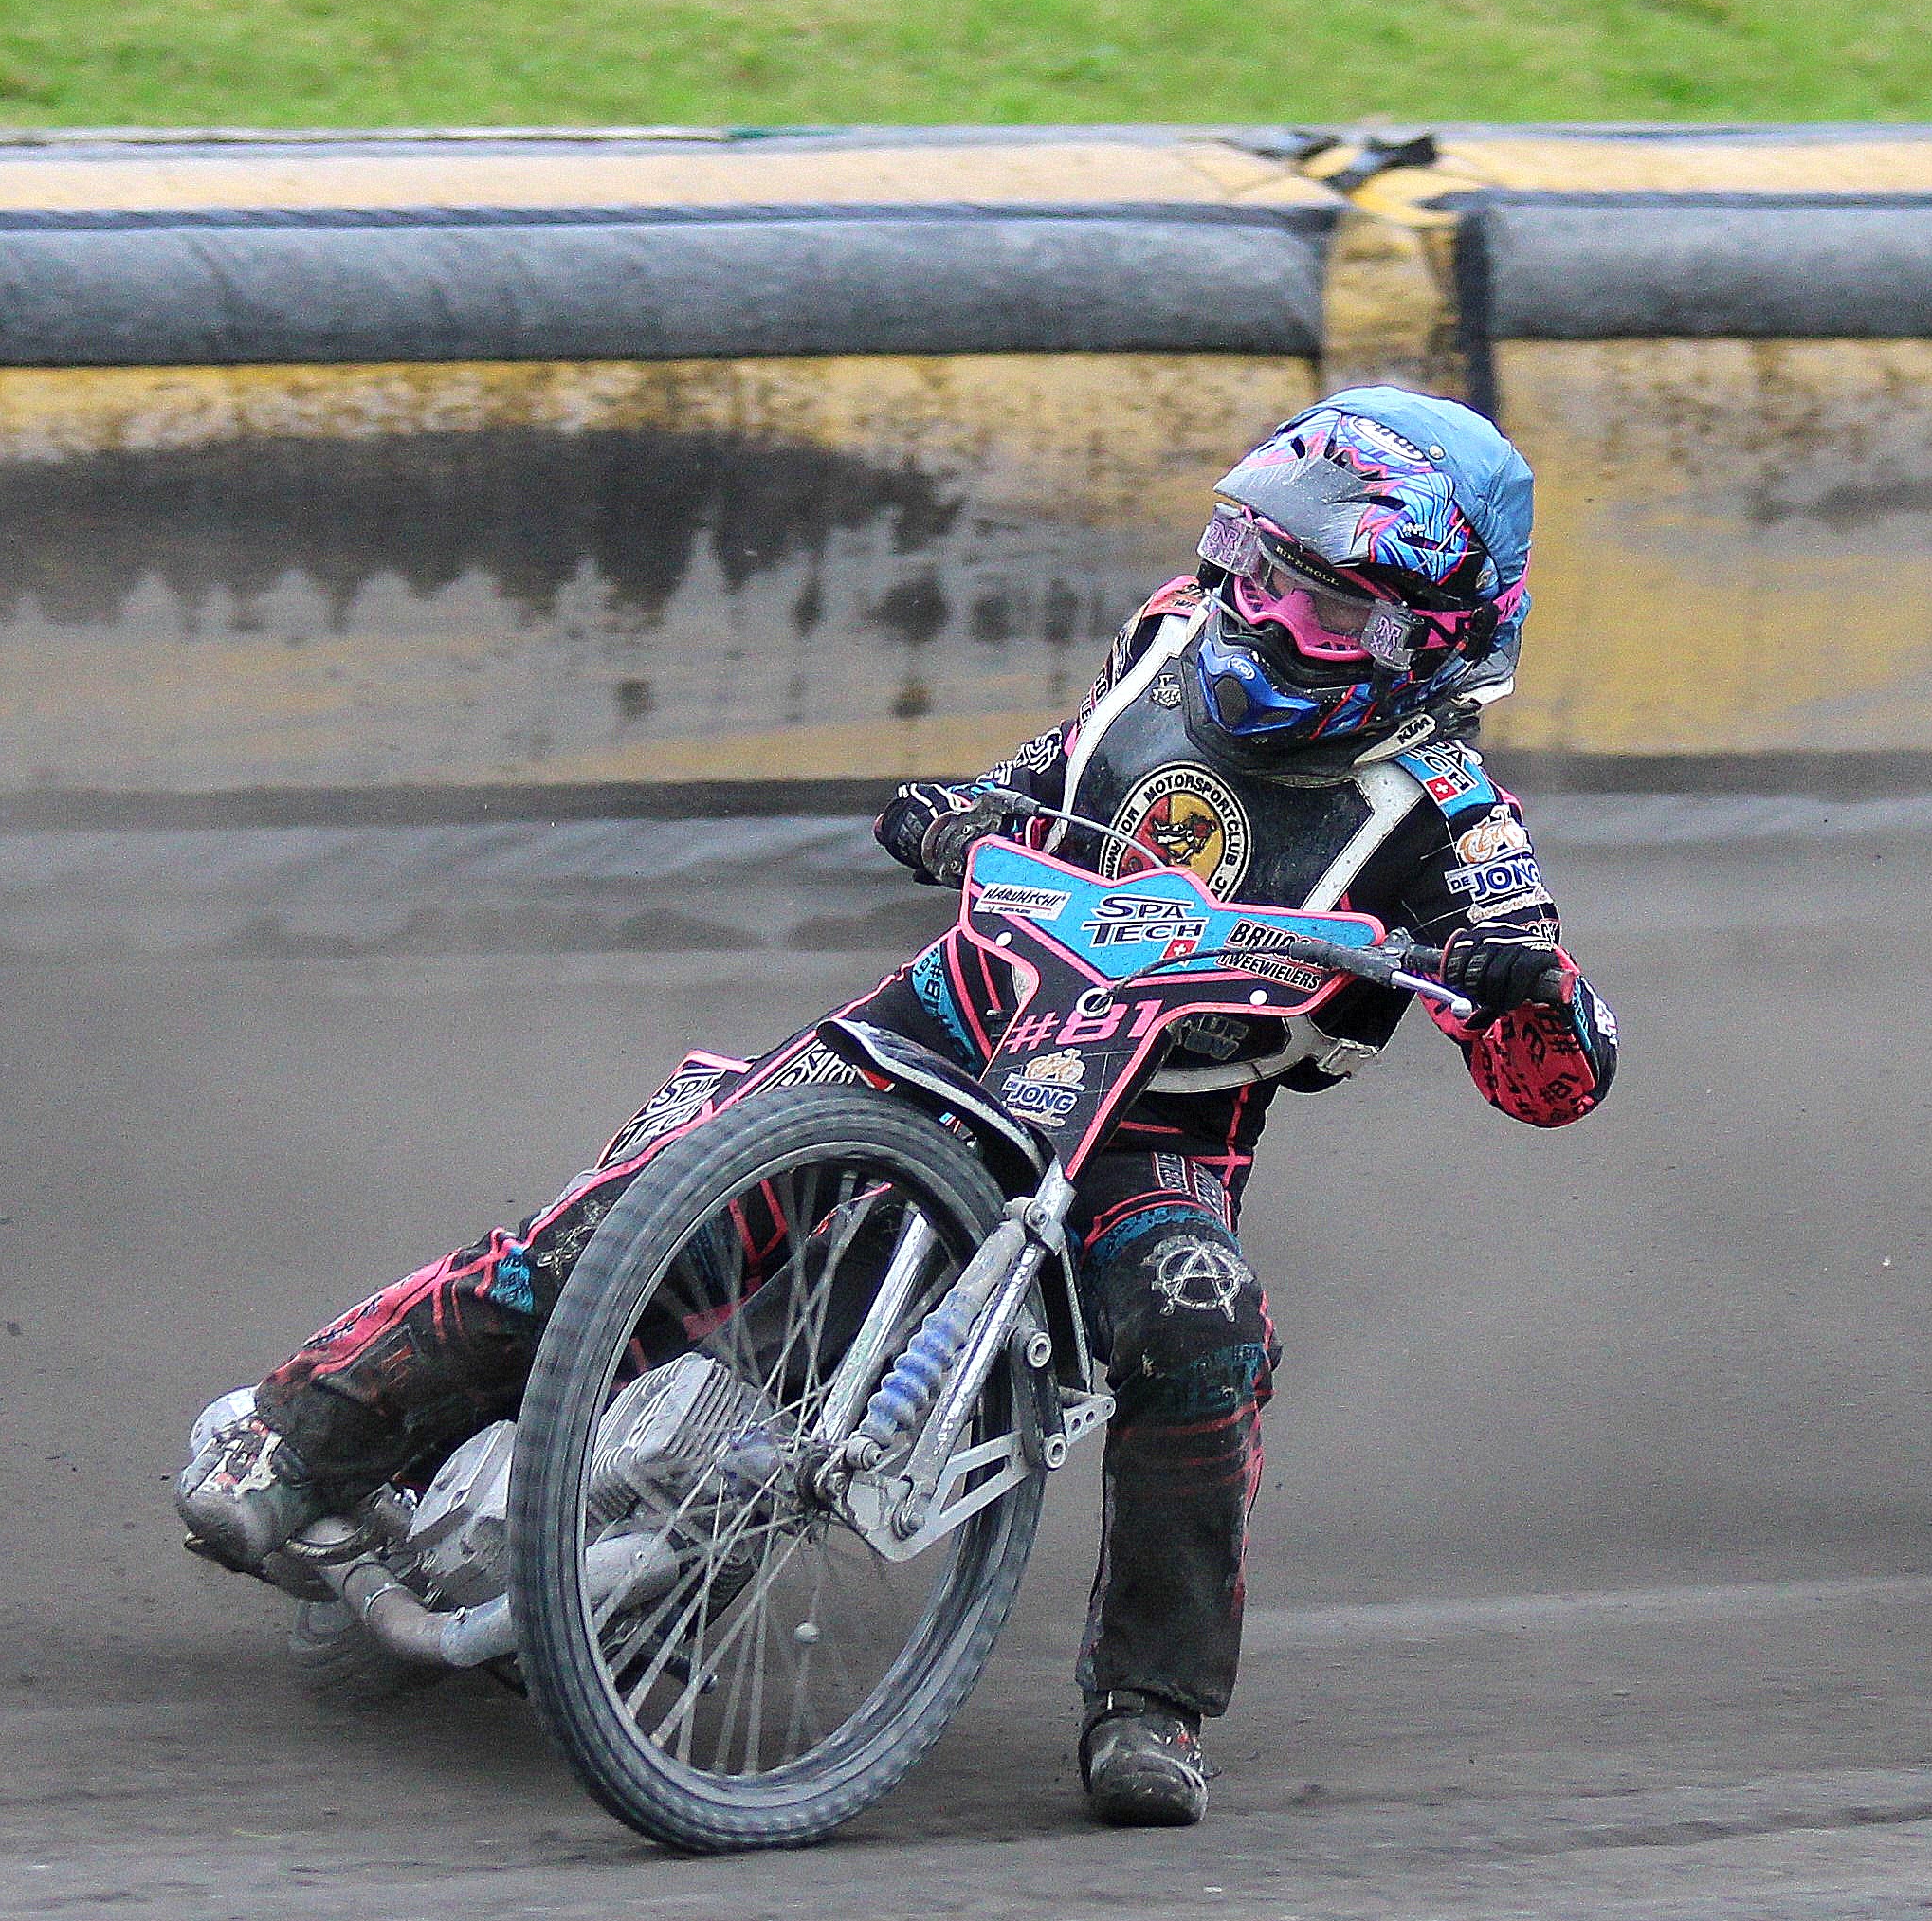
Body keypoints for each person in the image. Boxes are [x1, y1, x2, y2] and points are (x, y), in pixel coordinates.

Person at [179, 388, 1619, 1826]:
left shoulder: (1457, 823)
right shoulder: (1171, 633)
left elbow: (1559, 1078)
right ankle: (297, 1437)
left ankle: (1154, 1702)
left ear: (1431, 640)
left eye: (1325, 605)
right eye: (1259, 565)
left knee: (1204, 1326)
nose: (1264, 613)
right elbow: (1062, 771)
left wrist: (1527, 992)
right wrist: (965, 810)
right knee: (636, 1218)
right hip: (948, 1017)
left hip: (1154, 1133)